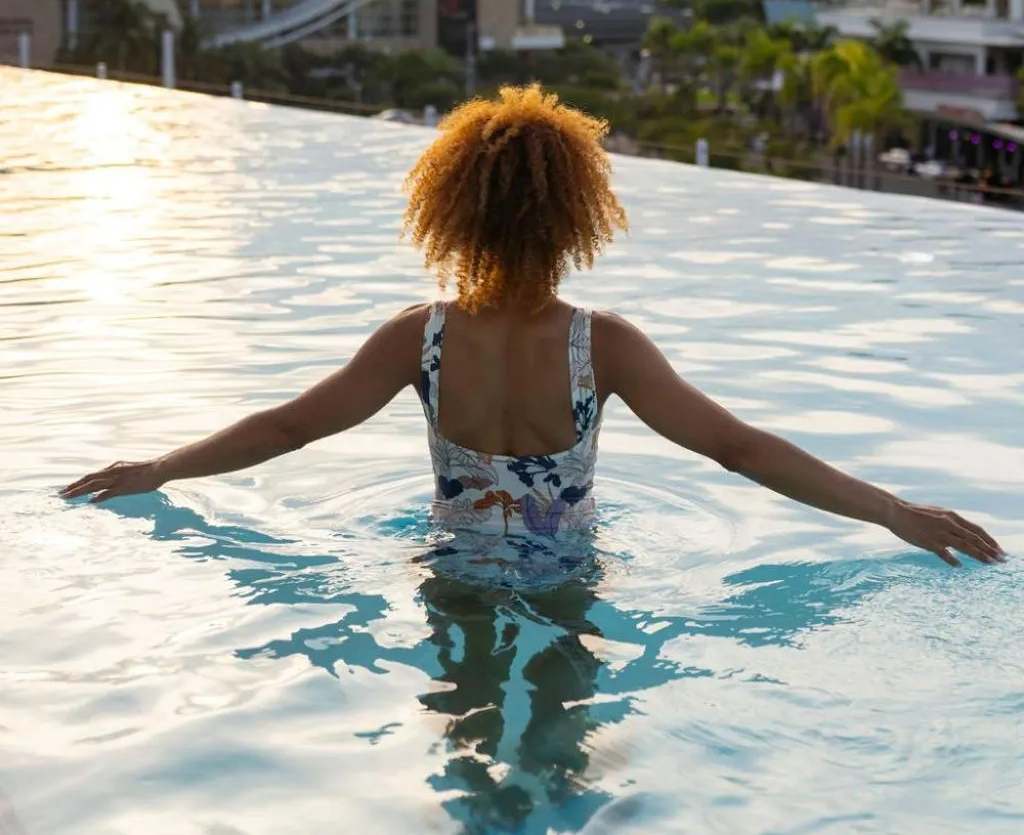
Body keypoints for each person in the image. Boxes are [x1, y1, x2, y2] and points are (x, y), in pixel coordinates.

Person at [61, 85, 1006, 569]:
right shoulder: (605, 346)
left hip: (450, 567)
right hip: (567, 575)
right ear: (575, 216)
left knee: (467, 753)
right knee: (563, 764)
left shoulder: (417, 338)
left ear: (454, 214)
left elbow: (287, 428)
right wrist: (892, 510)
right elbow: (739, 448)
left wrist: (158, 470)